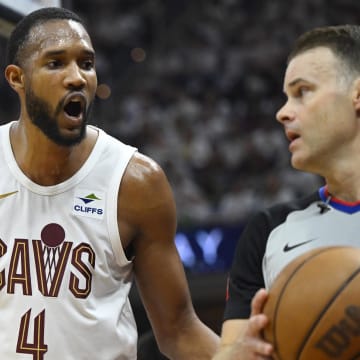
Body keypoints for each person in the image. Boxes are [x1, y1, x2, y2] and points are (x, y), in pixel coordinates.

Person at [1, 6, 219, 359]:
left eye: (86, 63)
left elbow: (180, 330)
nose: (77, 77)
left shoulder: (135, 182)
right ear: (17, 78)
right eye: (55, 63)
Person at [213, 24, 360, 359]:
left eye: (302, 91)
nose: (282, 112)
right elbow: (229, 352)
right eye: (285, 96)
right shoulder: (269, 231)